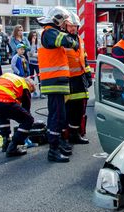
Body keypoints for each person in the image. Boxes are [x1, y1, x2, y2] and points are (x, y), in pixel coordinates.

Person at [37, 6, 79, 163]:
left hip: (56, 81)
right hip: (53, 81)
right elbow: (66, 41)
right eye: (64, 22)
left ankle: (57, 145)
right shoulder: (49, 32)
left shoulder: (49, 32)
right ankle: (53, 150)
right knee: (57, 116)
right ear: (58, 20)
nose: (64, 26)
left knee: (58, 116)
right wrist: (73, 42)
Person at [0, 73, 35, 157]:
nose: (30, 92)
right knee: (28, 120)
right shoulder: (25, 86)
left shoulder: (10, 76)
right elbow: (26, 111)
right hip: (2, 99)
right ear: (31, 86)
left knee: (3, 113)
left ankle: (6, 142)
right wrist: (25, 130)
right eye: (31, 91)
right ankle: (13, 147)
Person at [64, 13, 92, 144]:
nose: (72, 29)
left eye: (74, 26)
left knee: (79, 108)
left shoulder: (80, 40)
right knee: (69, 109)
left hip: (80, 79)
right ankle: (67, 135)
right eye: (70, 26)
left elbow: (84, 57)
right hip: (68, 79)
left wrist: (88, 74)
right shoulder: (63, 40)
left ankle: (75, 134)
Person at [27, 30, 43, 98]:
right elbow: (30, 53)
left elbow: (40, 53)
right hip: (31, 63)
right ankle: (34, 92)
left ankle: (42, 92)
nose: (34, 37)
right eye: (33, 36)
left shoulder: (39, 43)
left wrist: (34, 54)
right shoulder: (28, 43)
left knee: (40, 78)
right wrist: (33, 44)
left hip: (38, 63)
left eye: (35, 35)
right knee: (31, 78)